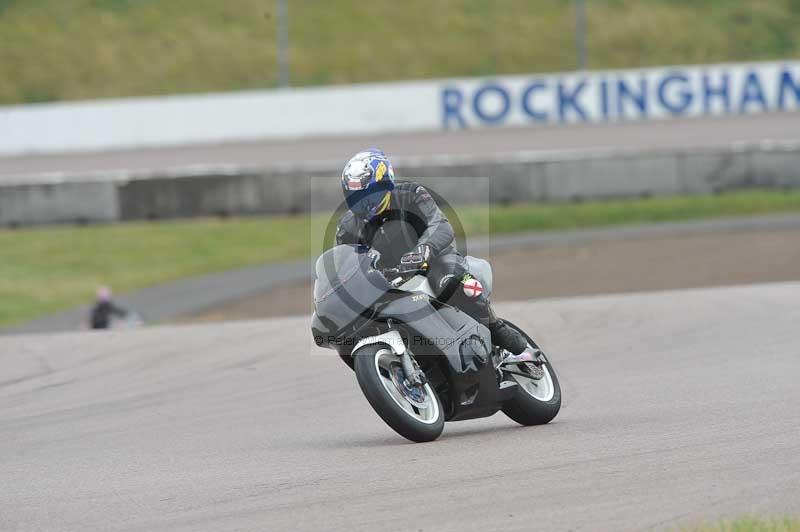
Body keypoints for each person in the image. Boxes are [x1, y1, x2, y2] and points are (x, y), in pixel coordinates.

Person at [335, 148, 536, 362]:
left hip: (435, 261)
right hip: (388, 281)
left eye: (370, 194)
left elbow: (440, 225)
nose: (365, 203)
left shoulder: (411, 194)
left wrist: (424, 249)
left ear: (386, 183)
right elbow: (345, 265)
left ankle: (498, 332)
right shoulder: (347, 227)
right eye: (357, 198)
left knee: (452, 282)